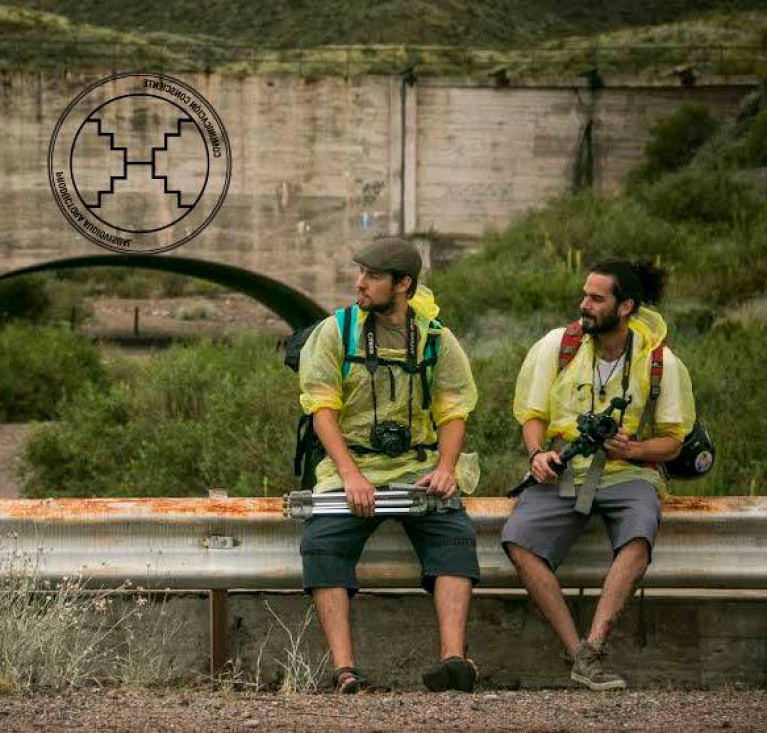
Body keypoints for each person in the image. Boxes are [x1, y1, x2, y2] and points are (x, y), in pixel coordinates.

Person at [502, 257, 696, 691]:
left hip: (629, 471)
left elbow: (674, 441)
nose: (583, 304)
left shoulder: (661, 362)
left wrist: (634, 448)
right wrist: (538, 455)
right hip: (565, 469)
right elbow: (532, 416)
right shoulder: (559, 345)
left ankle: (596, 643)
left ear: (625, 306)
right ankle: (578, 654)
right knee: (518, 539)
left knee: (638, 535)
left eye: (595, 298)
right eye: (584, 295)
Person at [298, 235, 481, 693]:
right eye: (360, 273)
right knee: (322, 544)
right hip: (352, 465)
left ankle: (454, 660)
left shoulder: (438, 340)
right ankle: (345, 669)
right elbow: (321, 408)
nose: (360, 284)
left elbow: (454, 409)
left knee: (455, 538)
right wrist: (350, 475)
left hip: (416, 467)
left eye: (374, 277)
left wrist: (445, 468)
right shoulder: (336, 331)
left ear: (404, 285)